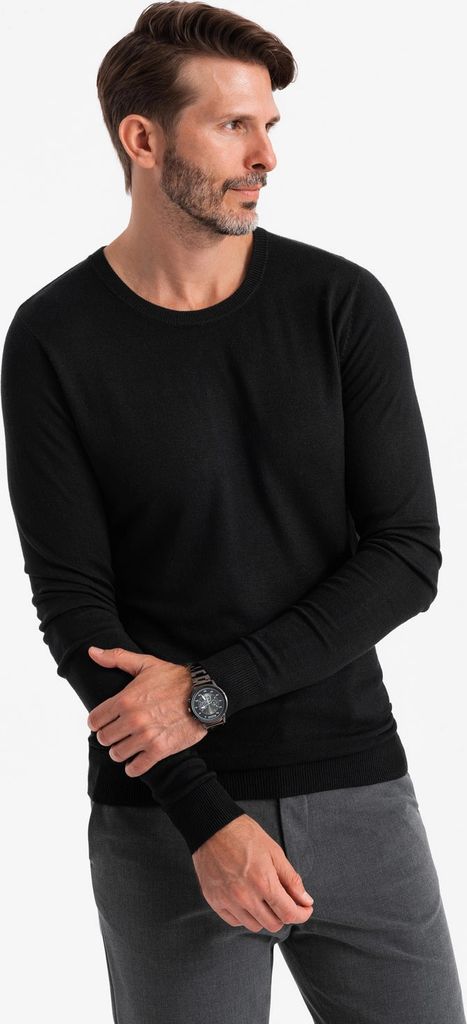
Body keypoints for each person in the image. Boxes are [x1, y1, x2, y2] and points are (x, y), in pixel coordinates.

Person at [1, 2, 465, 1022]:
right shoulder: (53, 338)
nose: (265, 157)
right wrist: (206, 818)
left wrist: (208, 693)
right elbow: (76, 610)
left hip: (354, 790)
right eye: (232, 126)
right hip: (165, 818)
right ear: (143, 139)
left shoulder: (338, 304)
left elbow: (405, 556)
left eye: (269, 127)